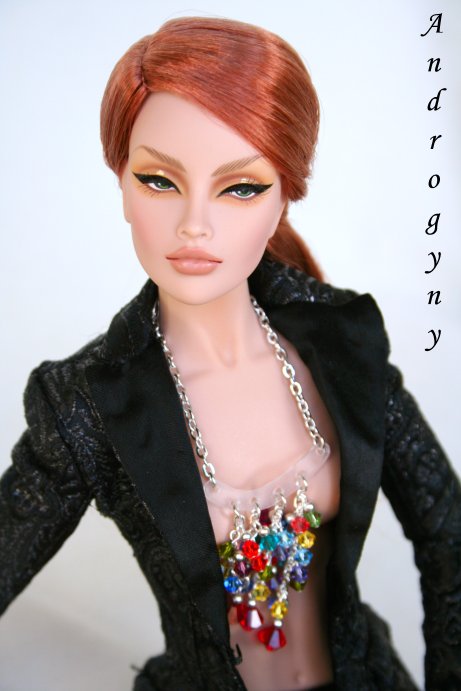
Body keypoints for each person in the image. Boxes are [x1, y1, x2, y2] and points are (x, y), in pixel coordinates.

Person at [0, 16, 460, 691]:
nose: (195, 225)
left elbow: (447, 530)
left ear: (283, 199)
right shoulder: (87, 405)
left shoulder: (343, 342)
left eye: (240, 187)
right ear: (121, 182)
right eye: (159, 180)